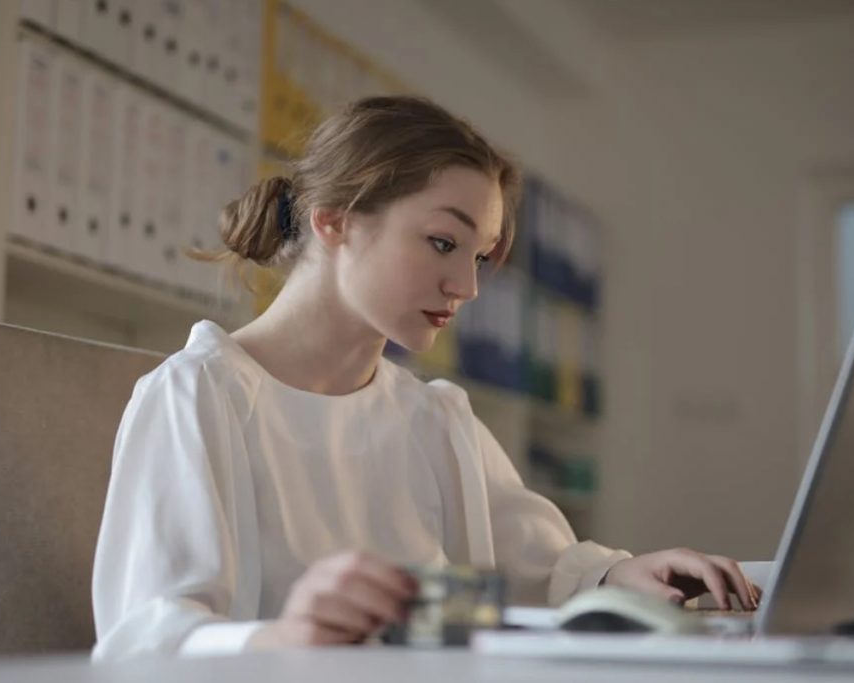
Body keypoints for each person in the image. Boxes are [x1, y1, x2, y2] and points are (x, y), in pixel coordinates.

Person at [92, 95, 757, 660]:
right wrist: (282, 636)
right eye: (443, 242)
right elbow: (139, 642)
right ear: (335, 220)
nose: (466, 286)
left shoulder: (434, 419)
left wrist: (624, 574)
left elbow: (549, 570)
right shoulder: (198, 395)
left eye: (478, 256)